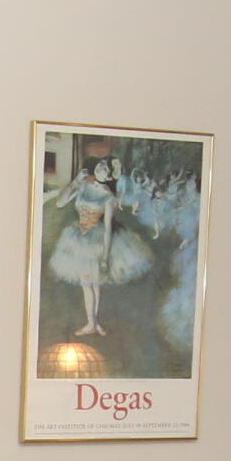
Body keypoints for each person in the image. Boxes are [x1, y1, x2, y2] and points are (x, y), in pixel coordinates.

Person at [41, 143, 152, 340]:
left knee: (93, 284)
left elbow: (108, 229)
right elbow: (59, 202)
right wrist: (75, 181)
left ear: (108, 176)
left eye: (105, 169)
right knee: (89, 283)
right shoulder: (83, 185)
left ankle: (92, 322)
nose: (100, 169)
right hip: (78, 238)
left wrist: (105, 257)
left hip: (96, 241)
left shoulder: (108, 197)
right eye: (99, 166)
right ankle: (92, 322)